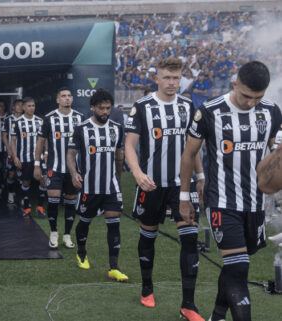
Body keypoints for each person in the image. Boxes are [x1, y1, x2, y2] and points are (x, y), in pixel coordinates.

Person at [180, 61, 282, 321]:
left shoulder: (271, 112)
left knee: (234, 267)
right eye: (246, 96)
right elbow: (189, 154)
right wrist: (184, 197)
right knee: (239, 271)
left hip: (257, 204)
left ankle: (216, 316)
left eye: (257, 98)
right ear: (235, 84)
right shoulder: (210, 111)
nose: (251, 103)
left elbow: (274, 156)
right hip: (222, 202)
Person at [125, 57, 205, 320]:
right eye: (167, 78)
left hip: (183, 185)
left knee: (190, 239)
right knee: (148, 235)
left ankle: (189, 305)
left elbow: (192, 146)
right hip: (153, 184)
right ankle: (147, 287)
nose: (172, 82)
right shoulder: (143, 106)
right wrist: (137, 174)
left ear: (181, 78)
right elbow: (129, 146)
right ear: (156, 79)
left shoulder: (187, 104)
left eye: (176, 77)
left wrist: (200, 175)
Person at [67, 89, 128, 282]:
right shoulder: (81, 129)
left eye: (108, 108)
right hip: (89, 186)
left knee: (114, 222)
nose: (105, 112)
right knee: (85, 221)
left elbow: (119, 154)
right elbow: (70, 154)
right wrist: (74, 173)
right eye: (101, 108)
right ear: (92, 107)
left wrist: (118, 179)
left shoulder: (117, 128)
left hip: (111, 186)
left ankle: (114, 267)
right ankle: (82, 253)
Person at [34, 87, 83, 249]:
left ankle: (67, 235)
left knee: (70, 203)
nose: (67, 98)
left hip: (73, 170)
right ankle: (54, 233)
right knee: (53, 201)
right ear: (57, 100)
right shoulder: (49, 118)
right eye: (63, 96)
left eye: (69, 96)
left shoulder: (80, 118)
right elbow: (40, 142)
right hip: (54, 167)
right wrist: (37, 164)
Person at [10, 97, 46, 217]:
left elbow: (45, 139)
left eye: (33, 106)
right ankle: (26, 207)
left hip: (39, 158)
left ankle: (40, 207)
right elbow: (13, 141)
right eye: (29, 106)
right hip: (24, 158)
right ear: (23, 107)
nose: (32, 108)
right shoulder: (17, 122)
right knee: (26, 182)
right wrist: (15, 157)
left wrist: (46, 153)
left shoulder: (40, 121)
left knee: (43, 180)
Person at [2, 99, 24, 203]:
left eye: (21, 105)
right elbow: (4, 136)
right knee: (11, 174)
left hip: (23, 152)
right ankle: (10, 193)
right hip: (11, 152)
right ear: (13, 107)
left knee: (22, 175)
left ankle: (23, 197)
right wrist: (9, 149)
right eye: (18, 105)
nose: (20, 107)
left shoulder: (26, 119)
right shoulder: (8, 119)